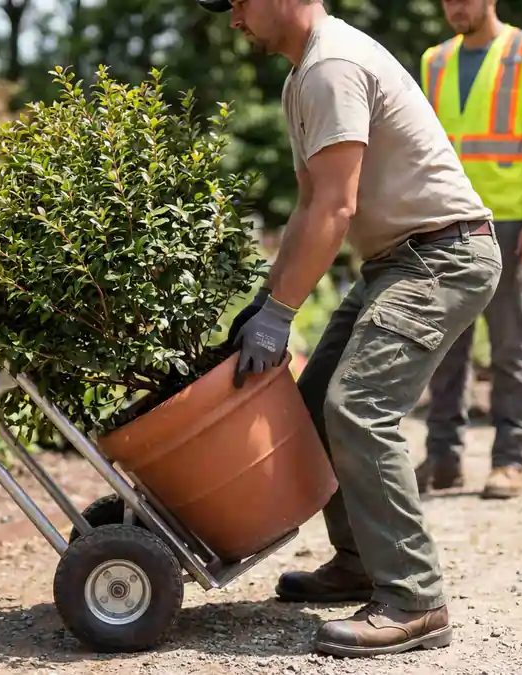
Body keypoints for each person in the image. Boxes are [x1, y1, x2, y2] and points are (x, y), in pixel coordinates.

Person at [199, 0, 502, 658]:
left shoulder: (331, 65)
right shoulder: (301, 76)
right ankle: (361, 559)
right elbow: (311, 204)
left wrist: (283, 313)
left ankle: (417, 599)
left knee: (360, 405)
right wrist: (268, 300)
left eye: (239, 4)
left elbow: (338, 204)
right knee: (312, 406)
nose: (233, 22)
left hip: (442, 256)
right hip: (397, 260)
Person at [416, 0, 522, 500]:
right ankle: (442, 459)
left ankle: (509, 459)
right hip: (447, 222)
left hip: (511, 223)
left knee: (509, 345)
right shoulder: (434, 61)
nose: (454, 7)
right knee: (444, 346)